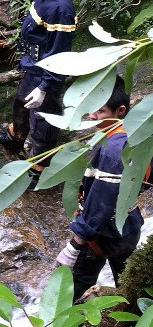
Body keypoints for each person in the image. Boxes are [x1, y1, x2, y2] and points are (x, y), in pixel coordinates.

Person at [0, 0, 77, 187]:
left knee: (44, 119)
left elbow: (60, 51)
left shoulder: (60, 7)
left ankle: (40, 168)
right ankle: (14, 137)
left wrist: (46, 86)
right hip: (33, 65)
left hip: (47, 70)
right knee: (21, 103)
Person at [56, 76, 144, 301]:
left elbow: (102, 201)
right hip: (127, 226)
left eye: (100, 111)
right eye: (90, 109)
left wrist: (76, 243)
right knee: (128, 280)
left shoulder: (112, 151)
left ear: (120, 110)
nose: (92, 116)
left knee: (76, 283)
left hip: (104, 232)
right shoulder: (133, 137)